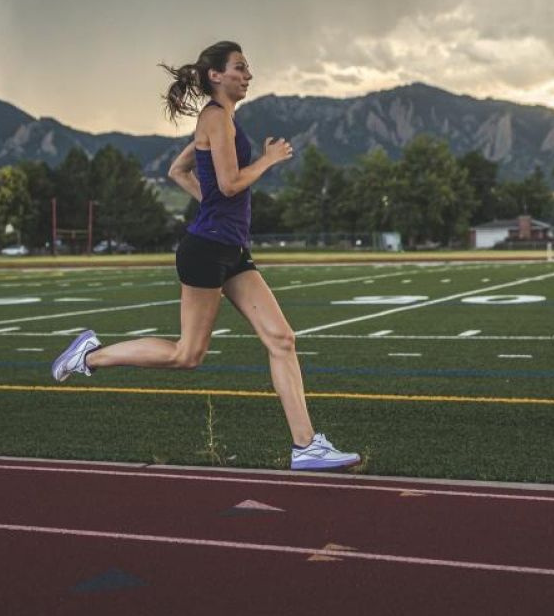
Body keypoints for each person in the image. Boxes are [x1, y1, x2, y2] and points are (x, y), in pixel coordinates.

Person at [51, 41, 360, 471]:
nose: (248, 74)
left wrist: (214, 206)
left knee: (282, 339)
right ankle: (88, 356)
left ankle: (306, 447)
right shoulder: (215, 118)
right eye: (239, 67)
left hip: (229, 249)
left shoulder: (223, 122)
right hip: (207, 250)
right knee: (187, 355)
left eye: (248, 67)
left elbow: (179, 171)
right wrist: (268, 160)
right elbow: (231, 184)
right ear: (216, 75)